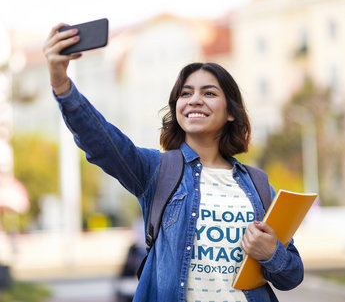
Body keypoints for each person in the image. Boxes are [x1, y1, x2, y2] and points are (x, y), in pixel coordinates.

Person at [43, 23, 304, 302]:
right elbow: (103, 142)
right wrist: (61, 85)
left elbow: (292, 275)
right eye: (185, 93)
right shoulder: (156, 171)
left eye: (209, 93)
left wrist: (271, 254)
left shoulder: (258, 185)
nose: (194, 100)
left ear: (231, 111)